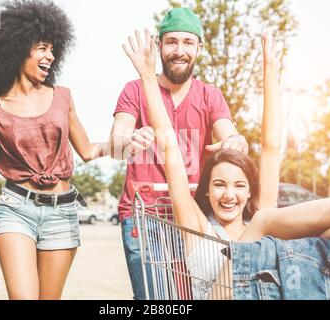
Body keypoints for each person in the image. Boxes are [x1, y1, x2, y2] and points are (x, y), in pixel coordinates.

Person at [123, 28, 330, 299]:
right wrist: (147, 75)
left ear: (250, 190)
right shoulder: (198, 226)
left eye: (239, 185)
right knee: (264, 223)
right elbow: (169, 144)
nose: (229, 195)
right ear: (206, 190)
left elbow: (271, 148)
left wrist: (271, 70)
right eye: (219, 185)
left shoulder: (259, 217)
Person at [0, 0, 108, 300]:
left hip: (62, 211)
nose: (50, 56)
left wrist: (121, 143)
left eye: (53, 49)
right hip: (15, 210)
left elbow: (87, 150)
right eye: (42, 48)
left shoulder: (63, 97)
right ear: (15, 47)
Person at [109, 7, 249, 300]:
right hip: (145, 214)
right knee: (155, 297)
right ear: (160, 46)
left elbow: (230, 133)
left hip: (191, 215)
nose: (179, 50)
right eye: (171, 42)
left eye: (187, 42)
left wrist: (236, 141)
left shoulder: (210, 95)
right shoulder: (135, 90)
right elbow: (116, 142)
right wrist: (128, 140)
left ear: (198, 48)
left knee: (195, 295)